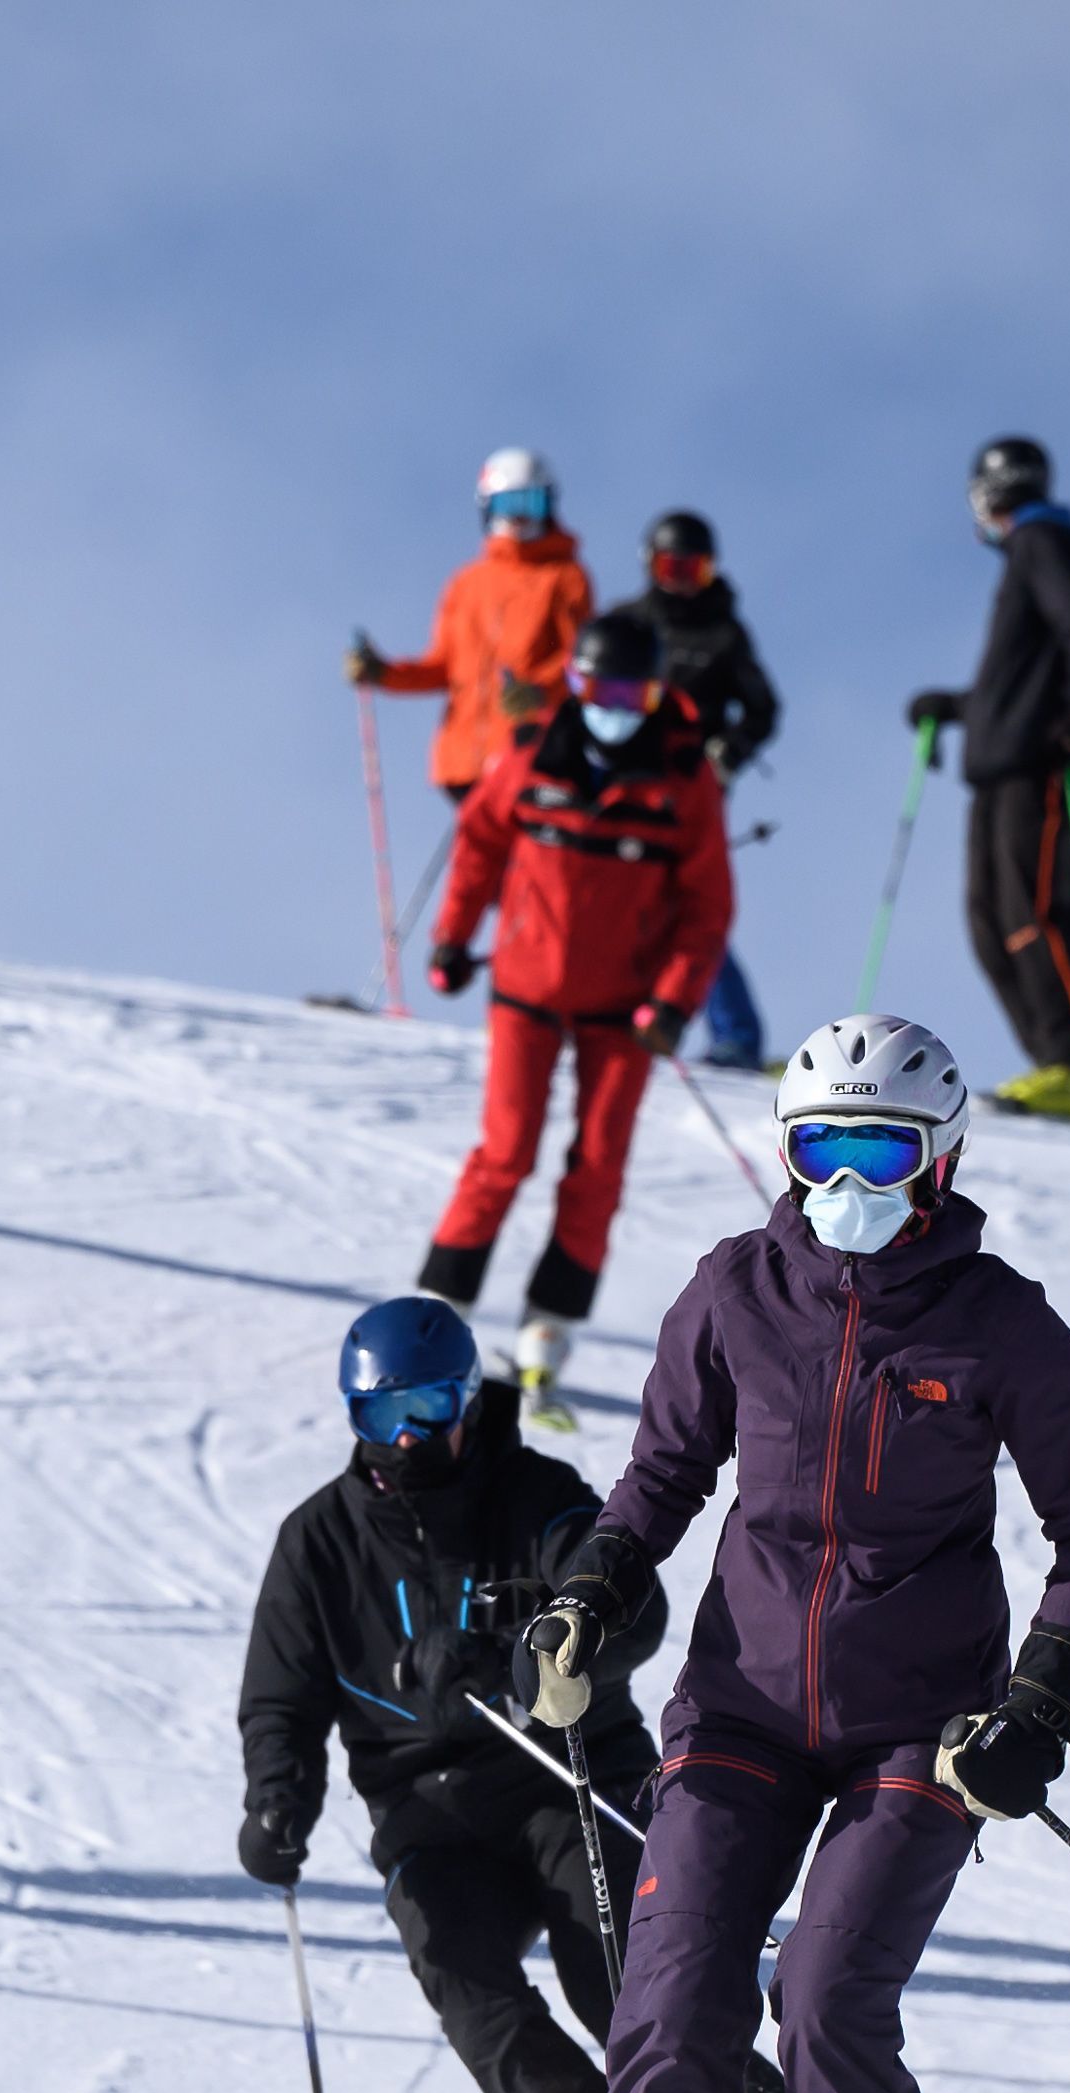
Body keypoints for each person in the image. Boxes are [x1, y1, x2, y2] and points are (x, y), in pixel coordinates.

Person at [522, 1013, 1070, 2093]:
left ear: (940, 1158)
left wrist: (1037, 1703)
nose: (847, 1178)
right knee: (669, 2003)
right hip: (738, 1704)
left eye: (881, 1149)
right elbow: (659, 1478)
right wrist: (589, 1600)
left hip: (918, 1733)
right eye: (820, 1149)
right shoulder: (736, 1290)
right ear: (786, 1158)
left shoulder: (1002, 1324)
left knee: (829, 1997)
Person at [236, 1299, 798, 2093]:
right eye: (380, 1416)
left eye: (425, 1409)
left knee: (625, 1994)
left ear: (467, 1398)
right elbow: (280, 1694)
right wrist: (278, 1795)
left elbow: (632, 1606)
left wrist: (521, 1660)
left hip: (564, 1778)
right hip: (429, 1812)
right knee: (475, 1999)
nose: (406, 1439)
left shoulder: (534, 1491)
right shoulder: (319, 1542)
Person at [417, 613, 735, 1414]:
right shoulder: (532, 752)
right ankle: (440, 1304)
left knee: (597, 1165)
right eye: (598, 689)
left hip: (624, 1009)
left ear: (658, 694)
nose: (614, 705)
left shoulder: (682, 777)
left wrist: (673, 999)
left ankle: (549, 1324)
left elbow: (707, 906)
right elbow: (480, 843)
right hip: (526, 986)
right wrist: (453, 939)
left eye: (633, 691)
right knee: (506, 1148)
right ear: (576, 686)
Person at [904, 438, 1070, 1124]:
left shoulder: (1040, 543)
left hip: (1030, 765)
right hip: (999, 765)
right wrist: (958, 708)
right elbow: (1016, 683)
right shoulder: (1033, 551)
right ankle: (1057, 1065)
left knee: (1030, 912)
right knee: (990, 922)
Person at [604, 510, 783, 1070]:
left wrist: (727, 750)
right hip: (623, 782)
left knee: (690, 902)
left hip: (692, 789)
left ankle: (737, 1037)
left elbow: (762, 708)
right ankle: (606, 1018)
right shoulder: (628, 623)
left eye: (694, 568)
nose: (680, 578)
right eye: (669, 566)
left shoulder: (724, 632)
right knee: (609, 895)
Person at [351, 449, 593, 807]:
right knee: (477, 856)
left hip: (530, 753)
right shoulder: (467, 584)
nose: (520, 517)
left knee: (528, 857)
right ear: (487, 509)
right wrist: (384, 673)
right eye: (508, 504)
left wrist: (538, 691)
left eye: (531, 502)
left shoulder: (565, 578)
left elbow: (580, 662)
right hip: (463, 763)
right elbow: (444, 666)